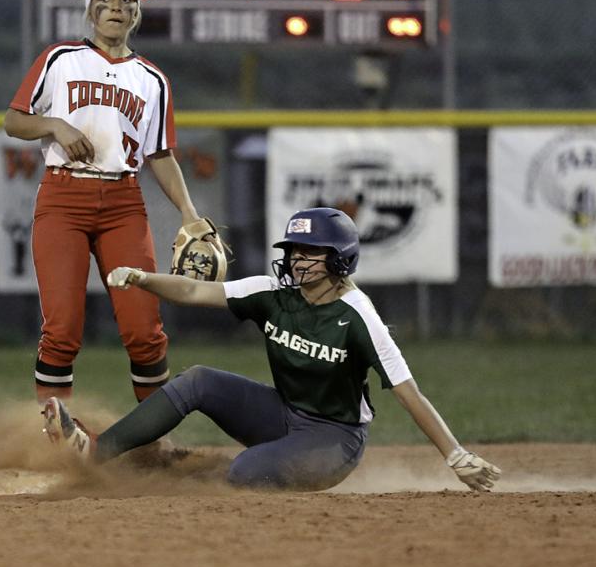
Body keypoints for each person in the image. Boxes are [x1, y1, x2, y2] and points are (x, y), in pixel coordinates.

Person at [42, 207, 502, 492]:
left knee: (244, 475)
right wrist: (143, 278)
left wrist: (455, 455)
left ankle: (169, 479)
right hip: (282, 413)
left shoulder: (358, 316)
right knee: (199, 379)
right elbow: (195, 293)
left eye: (310, 251)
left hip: (333, 440)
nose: (297, 259)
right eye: (294, 250)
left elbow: (408, 393)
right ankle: (94, 453)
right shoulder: (273, 292)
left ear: (340, 258)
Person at [4, 0, 210, 403]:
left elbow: (160, 154)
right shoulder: (61, 59)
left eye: (127, 1)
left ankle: (153, 439)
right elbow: (14, 121)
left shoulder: (152, 80)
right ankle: (56, 441)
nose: (116, 7)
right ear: (90, 11)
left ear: (136, 14)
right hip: (63, 198)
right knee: (62, 328)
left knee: (144, 330)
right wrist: (56, 125)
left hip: (123, 203)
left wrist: (190, 215)